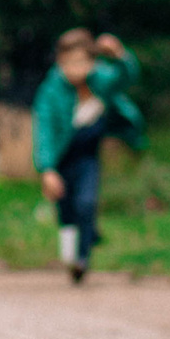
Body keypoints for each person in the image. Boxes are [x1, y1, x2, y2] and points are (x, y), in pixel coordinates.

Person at [33, 31, 147, 285]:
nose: (76, 69)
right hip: (62, 157)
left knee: (86, 203)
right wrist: (47, 169)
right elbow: (44, 131)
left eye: (82, 62)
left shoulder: (100, 80)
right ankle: (71, 252)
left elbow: (127, 76)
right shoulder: (51, 91)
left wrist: (119, 55)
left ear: (92, 62)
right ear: (60, 62)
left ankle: (81, 259)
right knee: (67, 210)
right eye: (69, 63)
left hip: (88, 156)